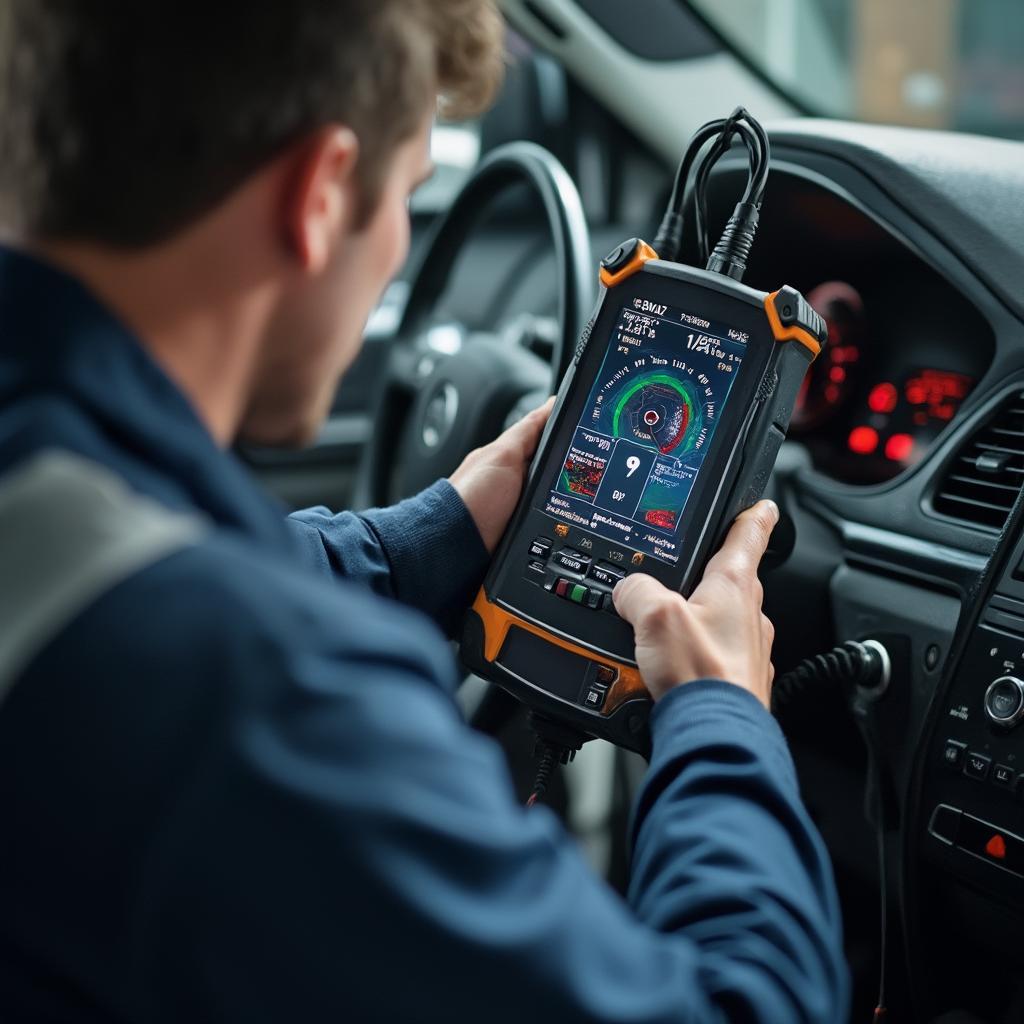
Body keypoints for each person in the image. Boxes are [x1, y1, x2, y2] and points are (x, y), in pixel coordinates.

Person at [0, 2, 848, 1021]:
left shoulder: (56, 483)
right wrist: (720, 718)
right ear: (317, 196)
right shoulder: (261, 699)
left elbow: (149, 556)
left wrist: (434, 535)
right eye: (407, 195)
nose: (398, 243)